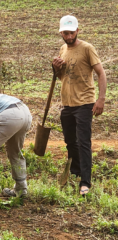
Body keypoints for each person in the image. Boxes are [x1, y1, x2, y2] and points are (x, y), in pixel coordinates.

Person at [52, 15, 106, 196]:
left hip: (84, 102)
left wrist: (101, 99)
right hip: (67, 104)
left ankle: (85, 182)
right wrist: (56, 68)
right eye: (65, 33)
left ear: (77, 31)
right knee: (70, 141)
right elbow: (61, 77)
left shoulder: (87, 48)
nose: (68, 36)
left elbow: (101, 74)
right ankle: (75, 171)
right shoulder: (62, 49)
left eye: (71, 33)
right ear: (61, 33)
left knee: (83, 142)